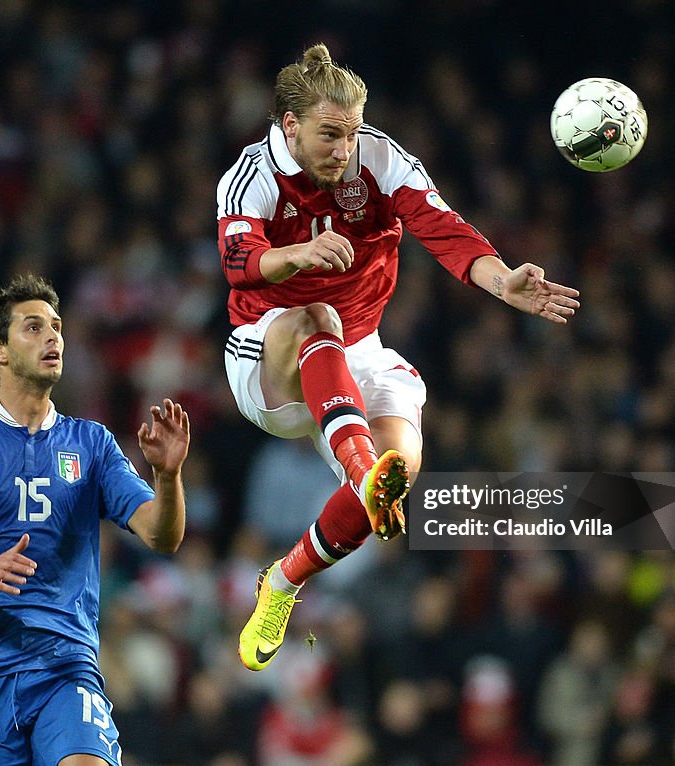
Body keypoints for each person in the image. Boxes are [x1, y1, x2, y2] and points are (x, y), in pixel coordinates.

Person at [217, 43, 580, 671]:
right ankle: (362, 473)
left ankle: (282, 582)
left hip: (359, 354)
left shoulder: (379, 159)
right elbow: (237, 262)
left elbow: (445, 229)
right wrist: (296, 257)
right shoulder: (250, 177)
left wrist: (503, 284)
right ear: (290, 126)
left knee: (400, 470)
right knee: (316, 317)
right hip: (267, 358)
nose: (343, 149)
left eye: (351, 133)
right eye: (330, 135)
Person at [0, 274, 190, 766]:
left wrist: (167, 476)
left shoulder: (92, 444)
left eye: (56, 326)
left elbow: (162, 536)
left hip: (64, 662)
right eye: (33, 328)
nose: (53, 337)